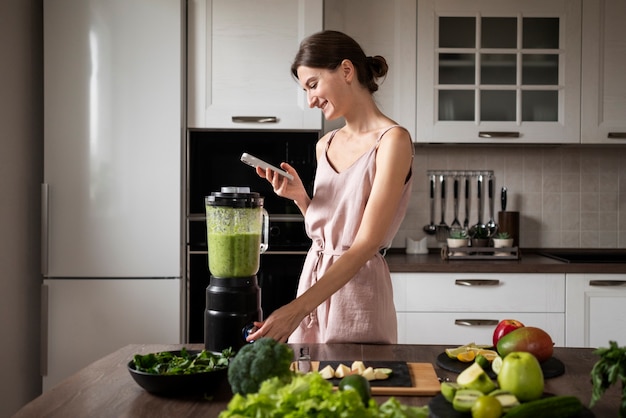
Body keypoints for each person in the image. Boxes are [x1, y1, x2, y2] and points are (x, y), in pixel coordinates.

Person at [246, 30, 414, 344]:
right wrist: (301, 198)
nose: (310, 101)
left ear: (347, 71)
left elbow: (363, 245)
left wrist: (295, 310)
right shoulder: (325, 145)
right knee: (308, 387)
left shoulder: (392, 141)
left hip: (358, 294)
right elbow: (331, 230)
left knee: (356, 384)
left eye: (313, 85)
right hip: (314, 282)